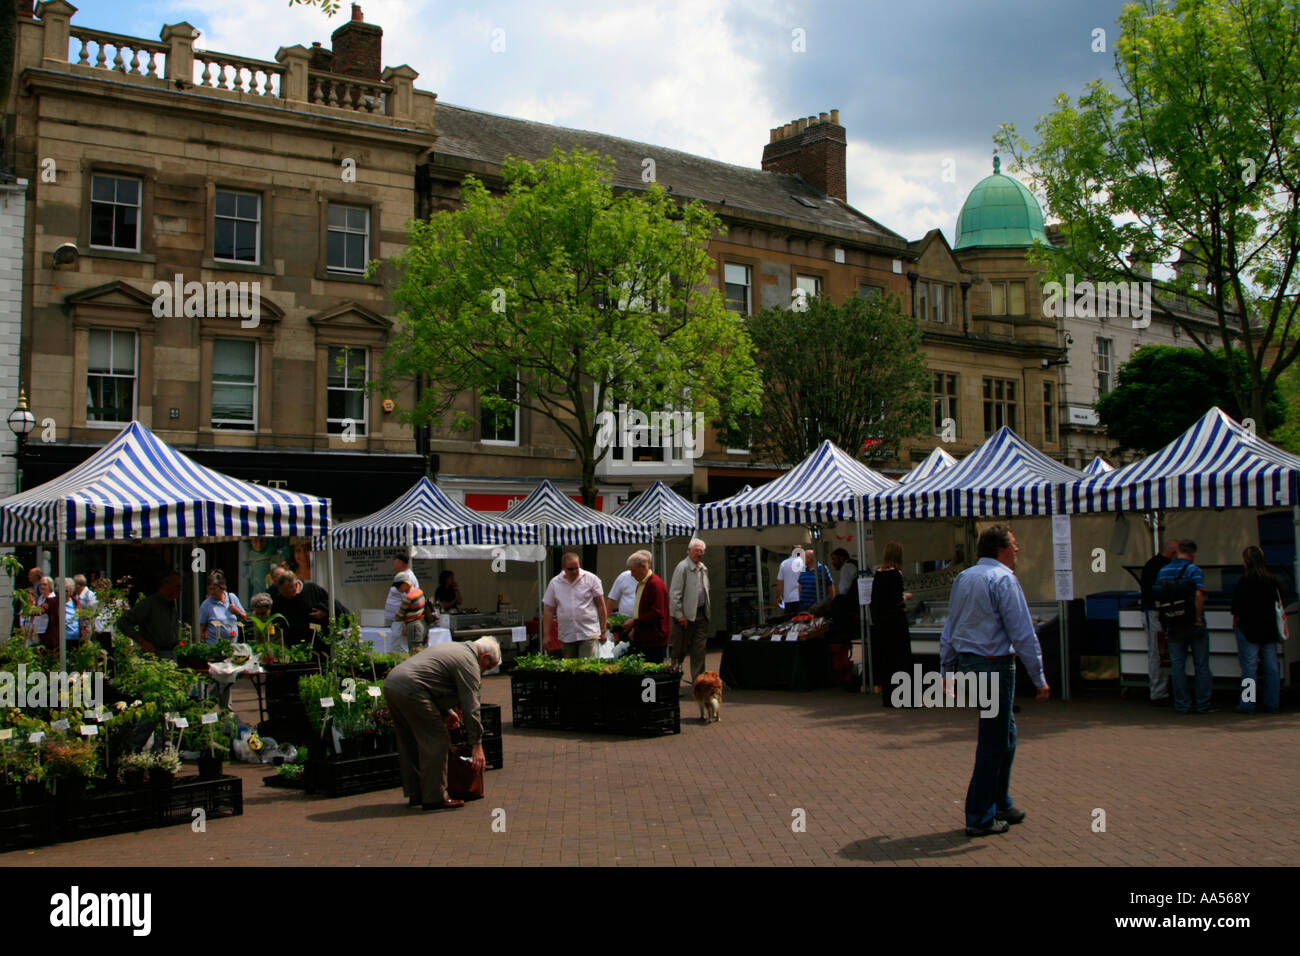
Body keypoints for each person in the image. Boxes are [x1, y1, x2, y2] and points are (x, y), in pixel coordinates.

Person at [939, 524, 1050, 837]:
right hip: (993, 666)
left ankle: (1000, 802)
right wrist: (1038, 676)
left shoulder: (965, 577)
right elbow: (1022, 631)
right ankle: (979, 815)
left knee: (1004, 735)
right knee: (994, 741)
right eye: (1014, 544)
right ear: (1001, 548)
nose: (1017, 550)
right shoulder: (1003, 579)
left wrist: (947, 668)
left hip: (970, 663)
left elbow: (951, 625)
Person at [382, 636, 499, 811]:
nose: (484, 672)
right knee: (437, 739)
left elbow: (431, 679)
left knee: (410, 740)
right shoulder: (469, 662)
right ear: (485, 657)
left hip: (393, 684)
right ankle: (435, 797)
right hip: (412, 688)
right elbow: (471, 706)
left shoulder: (455, 648)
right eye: (487, 667)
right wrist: (476, 744)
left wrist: (446, 712)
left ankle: (417, 793)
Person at [1154, 540, 1214, 714]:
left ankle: (1181, 704)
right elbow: (1198, 595)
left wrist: (1165, 619)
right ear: (1193, 554)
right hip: (1193, 623)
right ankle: (1203, 703)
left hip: (1173, 623)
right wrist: (1198, 619)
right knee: (1201, 664)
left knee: (1177, 665)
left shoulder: (1163, 571)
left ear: (1178, 551)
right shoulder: (1194, 570)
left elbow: (1158, 596)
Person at [1230, 545, 1282, 715]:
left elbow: (1236, 608)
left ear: (1246, 562)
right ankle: (1272, 703)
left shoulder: (1244, 581)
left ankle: (1248, 704)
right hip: (1268, 629)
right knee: (1271, 668)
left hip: (1248, 629)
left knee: (1249, 669)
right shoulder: (1273, 581)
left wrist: (1236, 624)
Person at [870, 542, 914, 707]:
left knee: (886, 661)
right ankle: (906, 697)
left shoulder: (878, 573)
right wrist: (906, 597)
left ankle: (888, 696)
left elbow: (875, 601)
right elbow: (896, 600)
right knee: (901, 660)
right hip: (896, 623)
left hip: (882, 624)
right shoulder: (896, 574)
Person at [542, 553, 608, 658]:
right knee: (569, 668)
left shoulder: (591, 579)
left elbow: (601, 605)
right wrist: (546, 635)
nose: (574, 571)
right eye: (570, 569)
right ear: (563, 568)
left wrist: (603, 630)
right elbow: (549, 610)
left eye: (576, 568)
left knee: (587, 667)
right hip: (567, 633)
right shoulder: (555, 583)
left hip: (589, 631)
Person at [1139, 538, 1178, 704]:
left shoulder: (1151, 564)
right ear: (1174, 553)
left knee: (1158, 652)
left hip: (1153, 612)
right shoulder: (1162, 566)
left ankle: (1160, 690)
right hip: (1155, 613)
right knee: (1158, 653)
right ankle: (1158, 692)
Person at [669, 538, 712, 681]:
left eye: (701, 551)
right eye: (696, 550)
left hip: (700, 614)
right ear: (689, 551)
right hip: (684, 616)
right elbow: (675, 594)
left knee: (699, 650)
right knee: (679, 651)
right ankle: (674, 683)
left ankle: (699, 682)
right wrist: (679, 615)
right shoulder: (682, 567)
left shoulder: (703, 568)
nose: (698, 553)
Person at [616, 550, 670, 663]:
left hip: (654, 639)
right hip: (643, 636)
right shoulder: (642, 584)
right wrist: (636, 628)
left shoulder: (655, 584)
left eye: (633, 570)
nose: (631, 574)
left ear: (643, 567)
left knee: (651, 673)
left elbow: (657, 613)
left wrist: (634, 622)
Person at [116, 570, 183, 659]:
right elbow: (123, 622)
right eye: (177, 586)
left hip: (170, 655)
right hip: (154, 656)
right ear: (166, 584)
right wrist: (142, 642)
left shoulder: (171, 604)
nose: (179, 590)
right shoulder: (149, 604)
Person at [271, 570, 332, 651]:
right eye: (282, 593)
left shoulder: (312, 589)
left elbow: (330, 603)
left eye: (287, 592)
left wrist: (324, 611)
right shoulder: (279, 599)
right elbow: (275, 619)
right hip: (293, 644)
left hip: (318, 640)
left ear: (296, 585)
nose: (285, 596)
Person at [198, 570, 247, 644]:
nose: (212, 592)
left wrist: (237, 612)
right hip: (214, 646)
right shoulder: (206, 604)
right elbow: (201, 627)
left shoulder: (232, 598)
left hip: (232, 645)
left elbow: (244, 617)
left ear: (222, 587)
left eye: (214, 589)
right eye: (210, 589)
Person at [394, 570, 428, 653]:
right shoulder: (420, 592)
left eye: (399, 586)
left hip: (413, 626)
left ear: (406, 583)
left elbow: (398, 616)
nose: (397, 588)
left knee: (414, 651)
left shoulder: (408, 597)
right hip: (422, 623)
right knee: (423, 650)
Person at [384, 556, 419, 626]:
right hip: (395, 620)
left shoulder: (408, 577)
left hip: (401, 621)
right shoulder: (401, 576)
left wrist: (405, 623)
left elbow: (409, 602)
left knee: (397, 636)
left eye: (394, 563)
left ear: (401, 563)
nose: (393, 565)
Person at [30, 576, 59, 650]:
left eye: (44, 585)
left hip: (47, 631)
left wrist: (31, 611)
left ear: (50, 586)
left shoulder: (52, 599)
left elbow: (41, 610)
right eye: (40, 584)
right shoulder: (41, 598)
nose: (42, 586)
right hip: (39, 630)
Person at [775, 546, 804, 613]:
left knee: (789, 621)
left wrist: (778, 596)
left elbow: (779, 582)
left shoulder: (784, 563)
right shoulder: (803, 563)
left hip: (788, 599)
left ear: (791, 551)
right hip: (800, 598)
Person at [72, 574, 98, 641]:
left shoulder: (90, 595)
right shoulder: (76, 596)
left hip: (87, 626)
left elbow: (92, 612)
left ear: (78, 585)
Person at [62, 578, 81, 646]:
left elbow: (80, 618)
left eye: (66, 591)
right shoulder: (56, 602)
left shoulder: (75, 602)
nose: (64, 593)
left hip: (75, 637)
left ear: (71, 591)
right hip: (62, 638)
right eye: (62, 590)